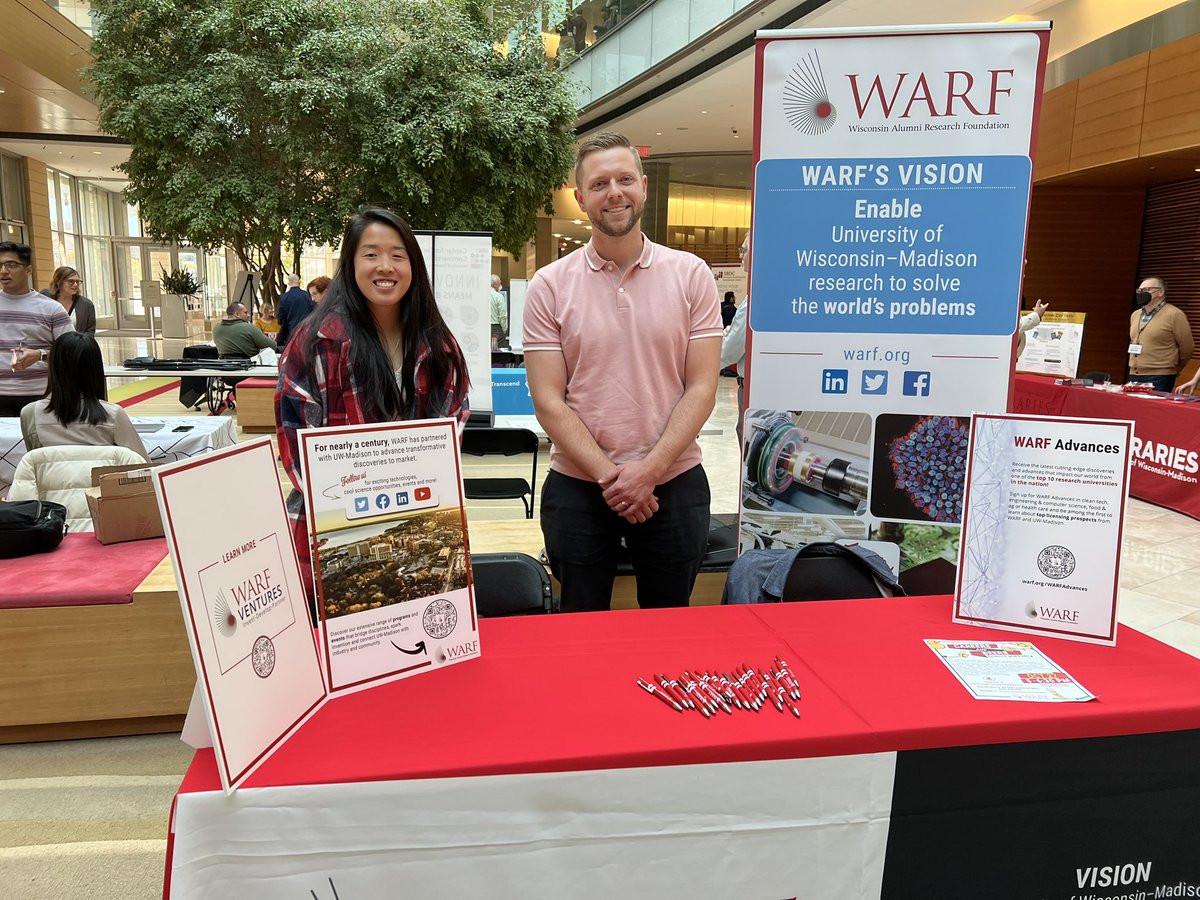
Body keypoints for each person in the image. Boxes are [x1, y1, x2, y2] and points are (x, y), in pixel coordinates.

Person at [524, 131, 723, 613]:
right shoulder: (549, 285)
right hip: (578, 482)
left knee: (668, 623)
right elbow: (548, 401)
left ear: (644, 186)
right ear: (580, 197)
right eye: (599, 184)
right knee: (580, 625)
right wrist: (615, 479)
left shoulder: (692, 274)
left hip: (674, 479)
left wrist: (648, 472)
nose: (614, 192)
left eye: (624, 179)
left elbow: (702, 388)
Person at [277, 207, 470, 608]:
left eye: (398, 255)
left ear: (413, 266)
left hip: (418, 518)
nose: (385, 266)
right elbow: (294, 445)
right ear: (350, 264)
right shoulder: (315, 343)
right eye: (371, 254)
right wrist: (355, 508)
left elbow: (450, 432)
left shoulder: (439, 346)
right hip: (331, 531)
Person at [20, 332, 148, 460]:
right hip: (101, 473)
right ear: (96, 368)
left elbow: (34, 461)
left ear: (54, 367)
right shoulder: (113, 414)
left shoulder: (30, 413)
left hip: (51, 474)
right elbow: (142, 463)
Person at [1, 242, 75, 417]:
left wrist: (40, 355)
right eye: (0, 265)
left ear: (28, 270)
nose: (3, 271)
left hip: (41, 396)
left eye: (11, 265)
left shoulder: (51, 308)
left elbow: (73, 352)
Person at [1128, 276, 1192, 393]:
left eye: (1146, 290)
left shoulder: (1174, 314)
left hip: (1160, 376)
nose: (1141, 293)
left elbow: (1187, 348)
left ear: (1160, 292)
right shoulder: (1135, 315)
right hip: (1134, 373)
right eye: (1140, 290)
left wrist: (1174, 368)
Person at [720, 233, 751, 444]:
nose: (741, 255)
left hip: (751, 389)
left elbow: (729, 351)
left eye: (744, 250)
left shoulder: (753, 299)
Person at [42, 266, 97, 335]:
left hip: (75, 342)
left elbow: (90, 332)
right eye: (71, 281)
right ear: (58, 282)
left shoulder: (86, 305)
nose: (75, 285)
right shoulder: (46, 300)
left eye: (77, 281)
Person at [213, 301, 278, 357]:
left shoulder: (216, 328)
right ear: (237, 314)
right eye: (245, 312)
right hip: (249, 363)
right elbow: (272, 346)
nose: (249, 315)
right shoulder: (249, 327)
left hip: (224, 364)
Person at [276, 273, 314, 348]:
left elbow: (280, 318)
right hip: (307, 332)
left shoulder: (284, 298)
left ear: (289, 283)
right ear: (299, 282)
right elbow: (315, 311)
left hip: (290, 333)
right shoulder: (307, 295)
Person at [489, 275, 508, 346]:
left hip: (483, 327)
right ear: (495, 284)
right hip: (496, 329)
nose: (500, 286)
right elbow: (503, 316)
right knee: (497, 349)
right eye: (499, 284)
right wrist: (504, 330)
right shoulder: (499, 297)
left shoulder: (481, 295)